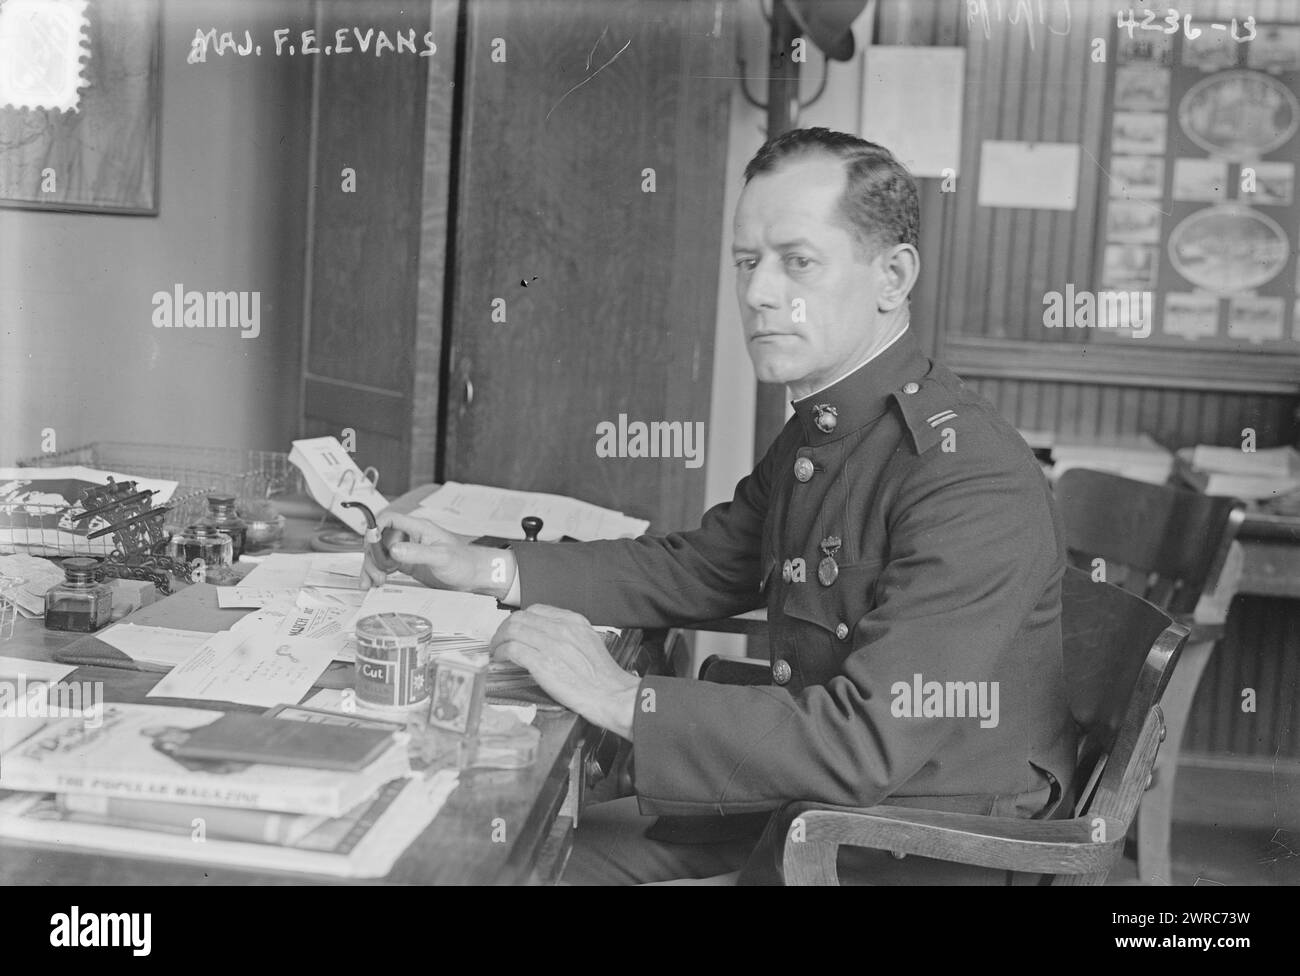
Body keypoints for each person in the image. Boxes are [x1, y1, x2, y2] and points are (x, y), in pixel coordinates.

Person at [362, 127, 1075, 885]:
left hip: (911, 845)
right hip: (818, 804)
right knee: (514, 852)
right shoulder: (830, 423)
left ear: (892, 277)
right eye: (747, 262)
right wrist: (484, 566)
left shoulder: (966, 476)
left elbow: (864, 741)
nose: (760, 292)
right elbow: (703, 568)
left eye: (797, 261)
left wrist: (619, 694)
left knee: (510, 859)